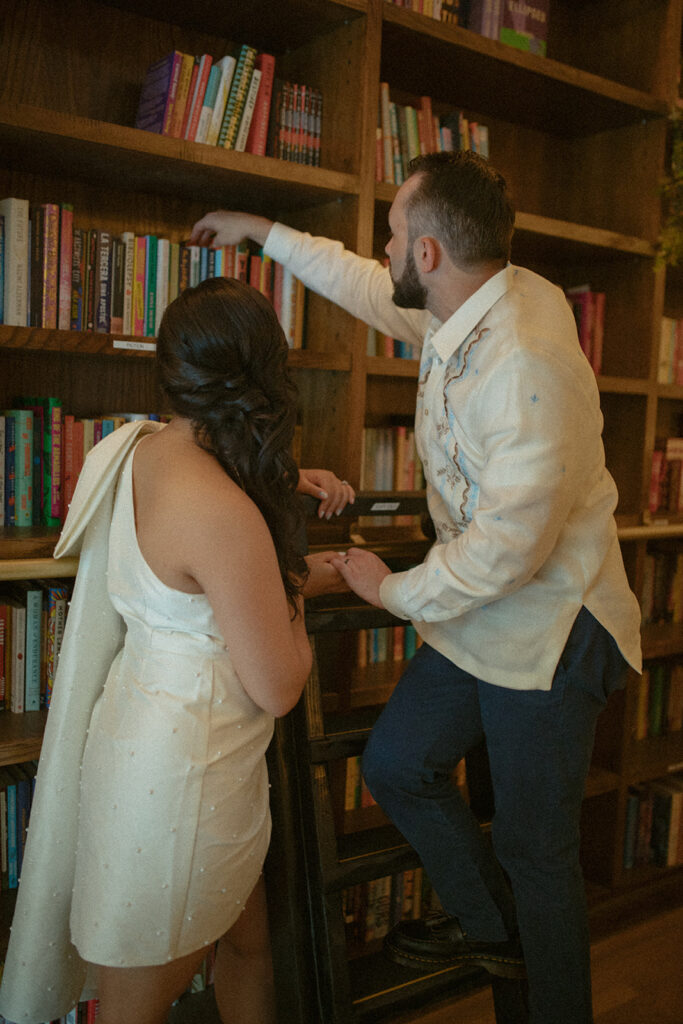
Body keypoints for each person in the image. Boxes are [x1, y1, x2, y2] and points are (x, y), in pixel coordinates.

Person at [187, 151, 643, 1024]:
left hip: (551, 621)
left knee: (533, 852)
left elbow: (506, 552)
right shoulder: (461, 299)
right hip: (481, 614)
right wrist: (263, 234)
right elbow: (367, 286)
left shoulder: (524, 363)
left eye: (394, 233)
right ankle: (490, 928)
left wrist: (389, 591)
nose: (384, 247)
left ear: (428, 253)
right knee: (400, 764)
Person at [0, 277, 353, 1024]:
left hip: (143, 735)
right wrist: (291, 582)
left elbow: (197, 584)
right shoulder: (223, 514)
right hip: (186, 771)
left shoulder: (137, 450)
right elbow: (278, 683)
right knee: (137, 1003)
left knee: (248, 938)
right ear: (265, 377)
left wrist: (284, 507)